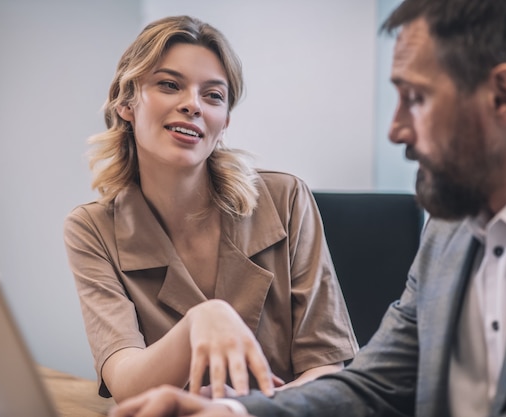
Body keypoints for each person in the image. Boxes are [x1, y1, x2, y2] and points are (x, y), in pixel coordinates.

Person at [107, 0, 506, 416]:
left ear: (502, 96)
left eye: (416, 98)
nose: (396, 129)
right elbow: (375, 386)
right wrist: (231, 413)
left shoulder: (287, 198)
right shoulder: (448, 231)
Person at [63, 15, 357, 404]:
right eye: (169, 85)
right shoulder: (91, 229)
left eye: (213, 95)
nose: (192, 105)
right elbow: (125, 382)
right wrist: (200, 322)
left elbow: (326, 369)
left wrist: (239, 410)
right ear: (126, 102)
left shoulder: (287, 199)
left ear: (225, 121)